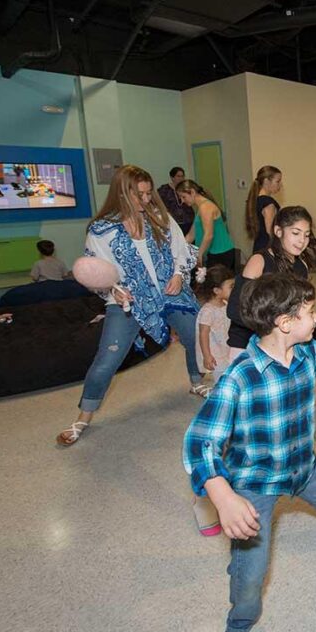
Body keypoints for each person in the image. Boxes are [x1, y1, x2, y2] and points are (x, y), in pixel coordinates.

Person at [184, 273, 316, 632]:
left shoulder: (307, 353)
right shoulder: (239, 377)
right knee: (250, 569)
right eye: (310, 312)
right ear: (284, 323)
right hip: (254, 484)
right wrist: (222, 495)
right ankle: (240, 622)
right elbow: (200, 441)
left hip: (303, 467)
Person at [55, 165, 201, 446]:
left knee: (195, 334)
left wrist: (178, 275)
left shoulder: (159, 218)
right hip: (129, 302)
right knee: (105, 361)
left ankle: (196, 382)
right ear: (122, 194)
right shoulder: (101, 230)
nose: (147, 200)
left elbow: (181, 252)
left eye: (149, 193)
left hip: (169, 293)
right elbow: (96, 273)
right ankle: (82, 418)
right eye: (140, 195)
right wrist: (114, 290)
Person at [227, 206, 316, 446]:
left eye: (306, 234)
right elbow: (235, 309)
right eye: (295, 233)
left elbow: (301, 311)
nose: (302, 240)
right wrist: (272, 325)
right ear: (278, 231)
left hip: (286, 339)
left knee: (307, 383)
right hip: (247, 340)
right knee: (242, 399)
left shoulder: (300, 266)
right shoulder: (260, 260)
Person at [192, 264, 236, 395]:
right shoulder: (208, 311)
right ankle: (218, 398)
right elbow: (203, 335)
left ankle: (225, 394)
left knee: (228, 375)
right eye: (231, 287)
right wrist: (206, 355)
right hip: (215, 352)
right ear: (217, 291)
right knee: (220, 380)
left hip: (225, 348)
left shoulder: (226, 304)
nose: (234, 289)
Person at [176, 179, 236, 270]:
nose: (182, 201)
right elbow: (191, 236)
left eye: (183, 197)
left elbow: (209, 235)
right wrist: (177, 249)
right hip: (214, 254)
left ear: (192, 192)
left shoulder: (205, 207)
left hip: (221, 253)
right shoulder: (200, 209)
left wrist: (199, 255)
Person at [245, 165, 282, 253]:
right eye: (277, 181)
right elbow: (270, 231)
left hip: (259, 245)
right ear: (266, 181)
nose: (280, 185)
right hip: (267, 247)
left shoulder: (256, 200)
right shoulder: (268, 203)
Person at [158, 167, 195, 236]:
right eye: (178, 176)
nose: (181, 178)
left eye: (182, 176)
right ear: (172, 177)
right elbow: (157, 202)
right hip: (174, 222)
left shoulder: (187, 188)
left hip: (189, 220)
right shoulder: (164, 190)